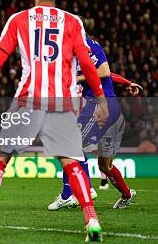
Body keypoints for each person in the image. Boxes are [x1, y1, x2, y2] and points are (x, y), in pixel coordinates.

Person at [0, 0, 109, 242]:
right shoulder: (73, 21)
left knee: (0, 160)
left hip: (29, 98)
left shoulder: (19, 19)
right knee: (71, 162)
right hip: (63, 100)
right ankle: (91, 219)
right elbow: (85, 60)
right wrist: (101, 98)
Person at [48, 37, 142, 211]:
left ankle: (79, 192)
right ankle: (127, 194)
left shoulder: (88, 45)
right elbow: (107, 74)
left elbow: (104, 71)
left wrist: (77, 78)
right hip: (109, 109)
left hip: (101, 106)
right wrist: (127, 82)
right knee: (104, 166)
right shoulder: (74, 51)